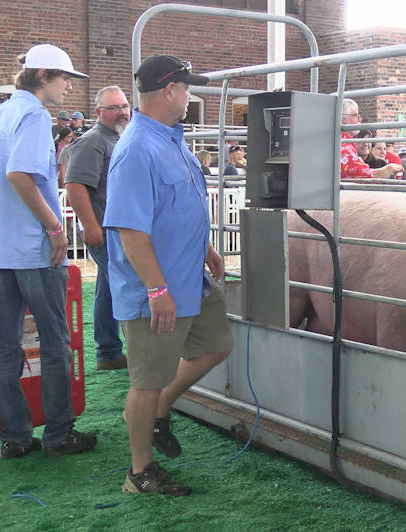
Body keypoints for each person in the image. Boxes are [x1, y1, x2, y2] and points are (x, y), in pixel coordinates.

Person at [104, 54, 234, 496]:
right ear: (170, 91)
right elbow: (130, 229)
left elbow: (176, 207)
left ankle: (161, 409)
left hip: (189, 277)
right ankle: (139, 472)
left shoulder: (169, 137)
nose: (190, 96)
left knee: (217, 345)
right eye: (187, 88)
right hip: (157, 289)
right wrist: (157, 289)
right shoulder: (137, 148)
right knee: (146, 380)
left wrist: (206, 247)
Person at [0, 43, 98, 460]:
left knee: (4, 344)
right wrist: (54, 226)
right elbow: (19, 175)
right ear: (43, 75)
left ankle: (15, 437)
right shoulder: (32, 115)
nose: (67, 87)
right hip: (32, 247)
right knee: (55, 340)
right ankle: (59, 433)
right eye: (64, 78)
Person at [65, 85, 131, 372]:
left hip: (116, 231)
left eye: (125, 105)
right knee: (126, 285)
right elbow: (74, 185)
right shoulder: (93, 141)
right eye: (114, 107)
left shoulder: (119, 138)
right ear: (99, 112)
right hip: (104, 232)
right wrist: (90, 226)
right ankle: (121, 351)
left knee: (109, 288)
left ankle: (109, 353)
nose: (122, 111)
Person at [339, 99, 402, 179]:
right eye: (355, 116)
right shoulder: (343, 146)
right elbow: (364, 174)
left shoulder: (345, 142)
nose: (360, 119)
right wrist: (390, 168)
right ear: (343, 119)